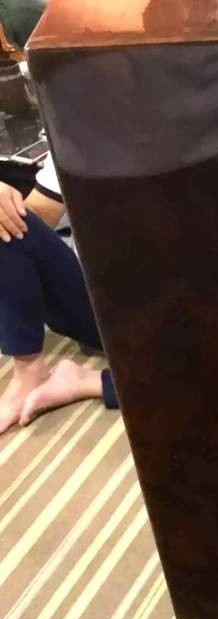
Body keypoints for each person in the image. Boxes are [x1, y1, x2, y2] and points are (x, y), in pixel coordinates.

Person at [0, 153, 118, 434]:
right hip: (101, 301)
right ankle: (29, 372)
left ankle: (90, 382)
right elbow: (34, 217)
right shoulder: (80, 136)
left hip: (196, 306)